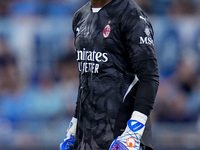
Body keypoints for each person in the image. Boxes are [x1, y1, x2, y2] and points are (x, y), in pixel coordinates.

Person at [60, 0, 159, 149]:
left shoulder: (131, 16)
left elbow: (149, 76)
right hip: (87, 139)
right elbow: (87, 80)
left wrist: (133, 132)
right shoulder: (80, 17)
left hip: (122, 138)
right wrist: (74, 127)